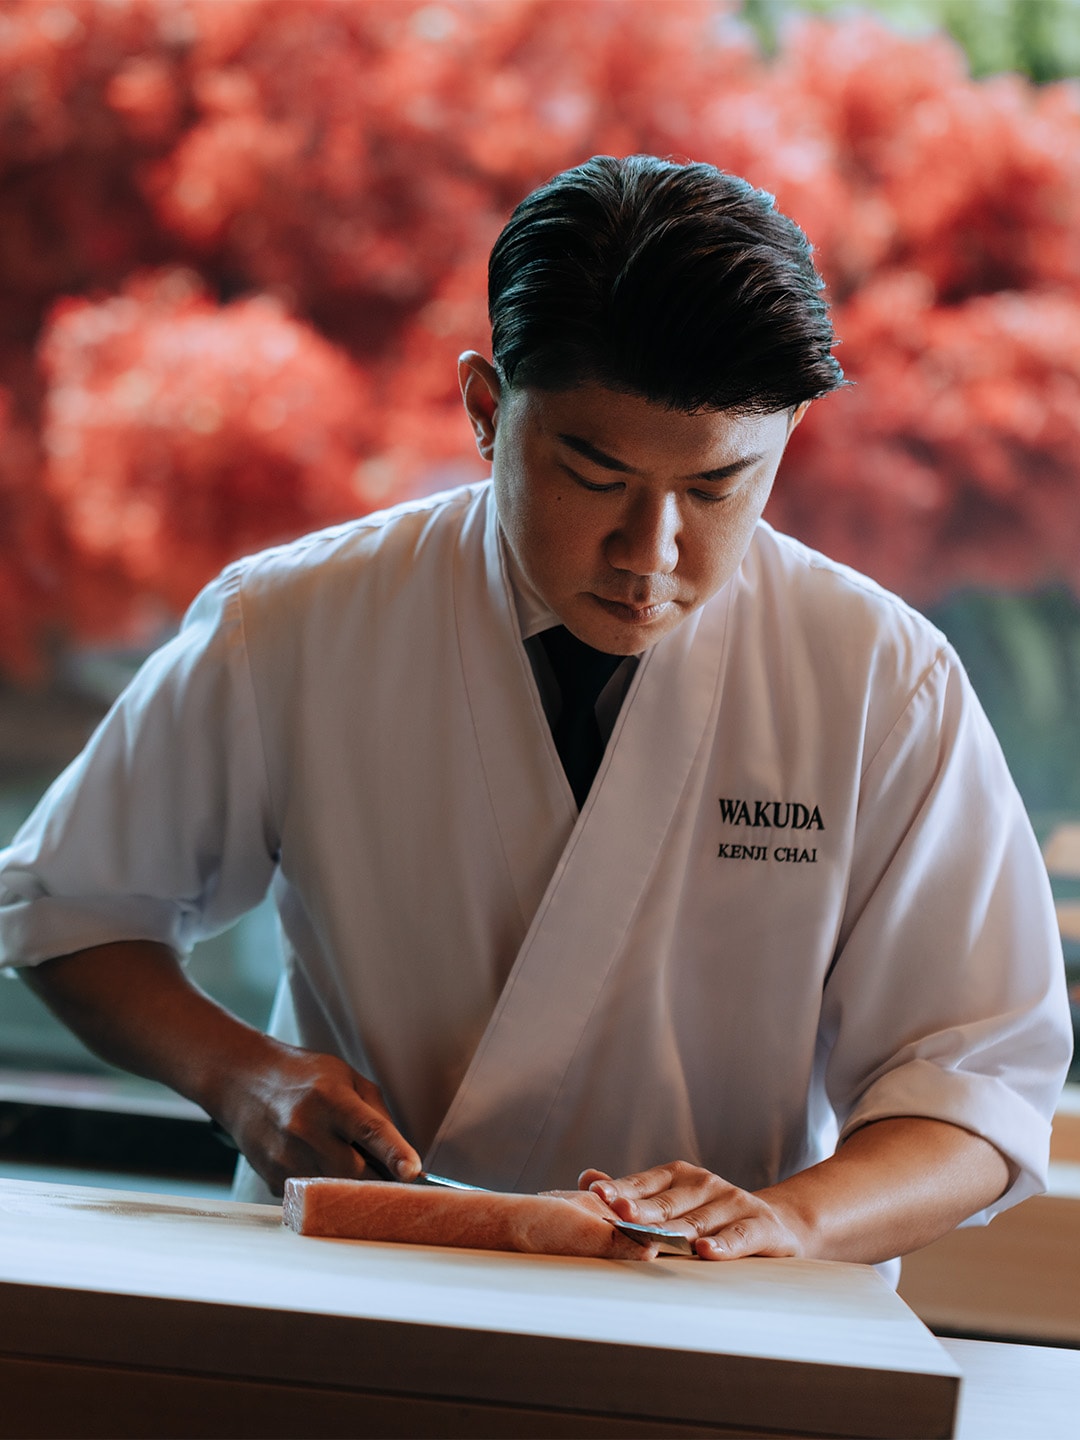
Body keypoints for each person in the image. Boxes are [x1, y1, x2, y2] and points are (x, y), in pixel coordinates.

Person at [0, 155, 1071, 1277]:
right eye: (595, 475)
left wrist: (794, 1220)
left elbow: (980, 1086)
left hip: (724, 1325)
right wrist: (243, 1076)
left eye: (714, 490)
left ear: (787, 437)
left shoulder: (880, 680)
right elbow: (66, 908)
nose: (650, 555)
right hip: (349, 1289)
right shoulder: (295, 622)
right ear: (486, 409)